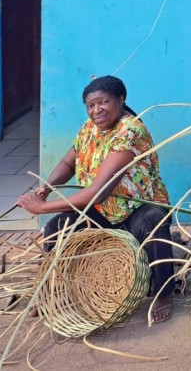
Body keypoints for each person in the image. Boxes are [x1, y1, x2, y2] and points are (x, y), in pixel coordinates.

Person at [16, 75, 175, 323]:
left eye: (103, 102)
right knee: (56, 228)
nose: (96, 110)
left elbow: (99, 191)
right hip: (102, 210)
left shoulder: (130, 131)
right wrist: (45, 188)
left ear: (120, 100)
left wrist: (42, 207)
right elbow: (69, 162)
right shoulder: (90, 129)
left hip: (136, 206)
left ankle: (162, 293)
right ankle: (52, 292)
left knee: (152, 222)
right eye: (90, 105)